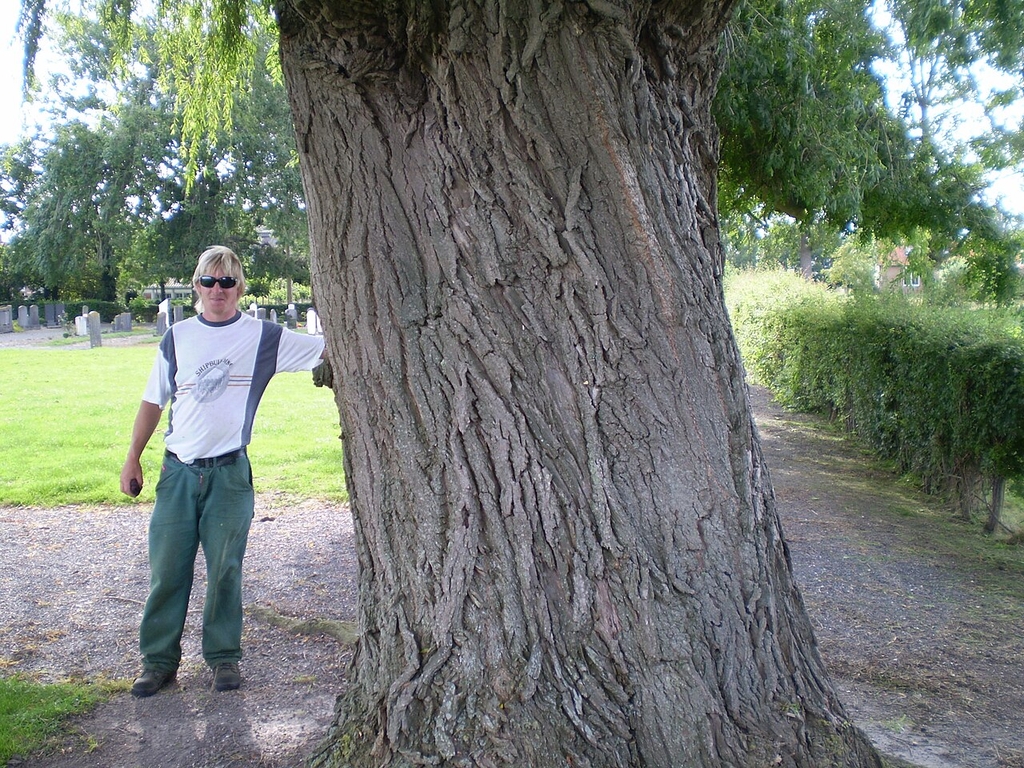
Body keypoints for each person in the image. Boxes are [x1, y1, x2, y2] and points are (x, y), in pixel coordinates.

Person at [120, 245, 327, 697]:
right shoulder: (178, 337)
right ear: (197, 286)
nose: (218, 289)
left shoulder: (263, 337)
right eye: (210, 281)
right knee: (167, 571)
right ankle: (157, 662)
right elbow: (154, 401)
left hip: (230, 474)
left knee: (225, 569)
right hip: (177, 474)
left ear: (239, 288)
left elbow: (327, 349)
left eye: (227, 281)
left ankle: (223, 658)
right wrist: (133, 455)